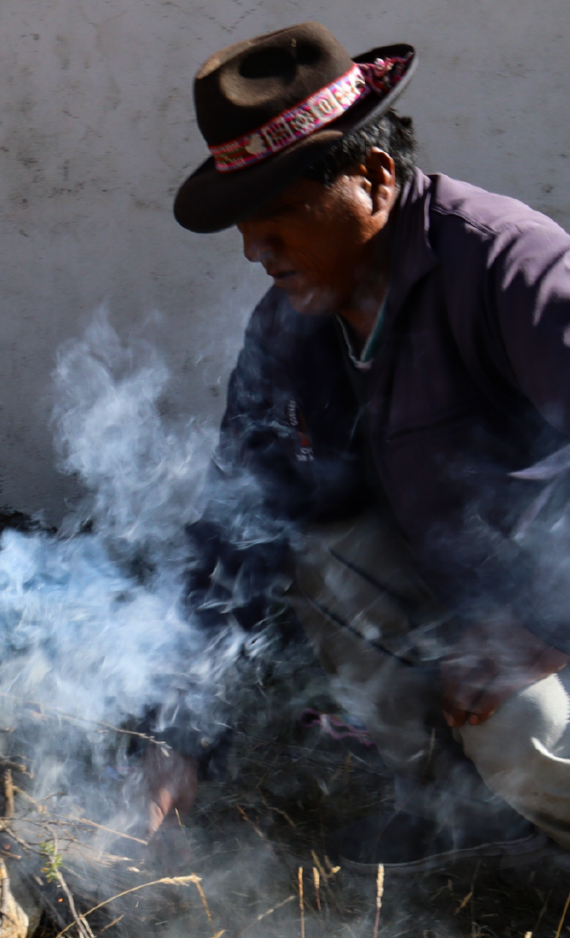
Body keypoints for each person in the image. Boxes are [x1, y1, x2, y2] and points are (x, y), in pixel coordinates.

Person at [146, 21, 570, 872]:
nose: (253, 248)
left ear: (374, 179)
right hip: (467, 621)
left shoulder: (507, 264)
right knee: (328, 552)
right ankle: (461, 816)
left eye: (278, 215)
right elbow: (234, 531)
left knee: (528, 726)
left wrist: (544, 631)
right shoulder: (288, 330)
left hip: (548, 624)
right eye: (242, 223)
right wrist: (177, 741)